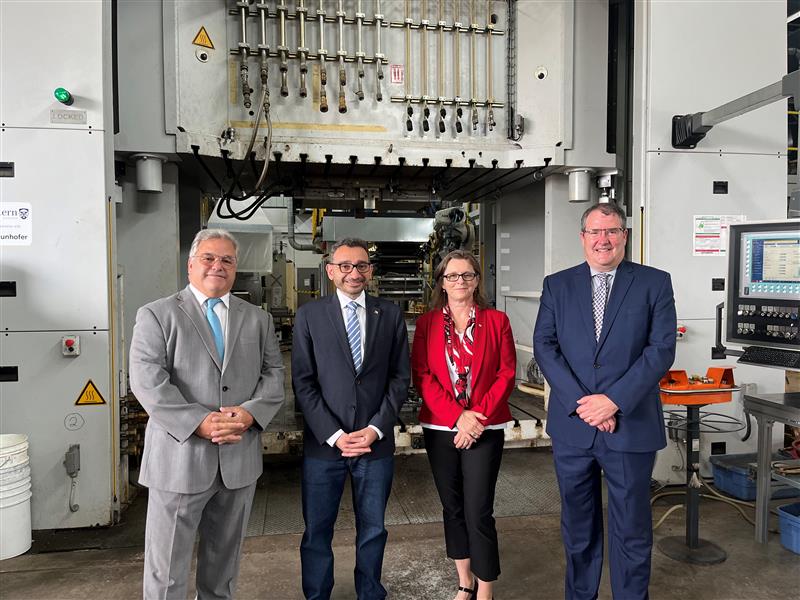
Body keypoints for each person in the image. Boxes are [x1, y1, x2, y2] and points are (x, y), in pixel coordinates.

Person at [129, 229, 285, 599]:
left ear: (236, 268)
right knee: (166, 568)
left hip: (238, 460)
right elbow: (147, 380)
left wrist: (249, 414)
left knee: (224, 566)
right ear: (190, 265)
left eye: (227, 260)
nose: (218, 266)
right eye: (209, 258)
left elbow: (274, 375)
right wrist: (197, 421)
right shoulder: (157, 314)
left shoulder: (257, 319)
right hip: (179, 460)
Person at [533, 203, 677, 600]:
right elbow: (545, 347)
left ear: (625, 236)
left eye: (612, 231)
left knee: (631, 527)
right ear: (582, 238)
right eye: (595, 232)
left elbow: (661, 350)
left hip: (631, 427)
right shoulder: (557, 285)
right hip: (574, 427)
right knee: (578, 526)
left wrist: (613, 401)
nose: (603, 240)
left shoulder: (654, 283)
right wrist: (586, 404)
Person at [291, 238, 410, 600]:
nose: (353, 273)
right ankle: (316, 595)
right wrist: (334, 435)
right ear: (330, 271)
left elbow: (399, 378)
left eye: (361, 266)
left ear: (370, 271)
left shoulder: (389, 314)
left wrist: (375, 429)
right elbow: (303, 381)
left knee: (373, 528)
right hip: (324, 447)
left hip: (374, 445)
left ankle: (370, 593)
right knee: (317, 531)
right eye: (345, 266)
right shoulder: (310, 315)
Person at [411, 250, 516, 600]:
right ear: (442, 282)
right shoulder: (427, 324)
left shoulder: (497, 320)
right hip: (441, 428)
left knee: (479, 509)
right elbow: (423, 376)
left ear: (476, 280)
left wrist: (475, 419)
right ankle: (464, 582)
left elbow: (506, 374)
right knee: (452, 506)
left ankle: (485, 588)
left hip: (485, 428)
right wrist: (457, 417)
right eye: (452, 276)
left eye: (467, 275)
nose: (460, 281)